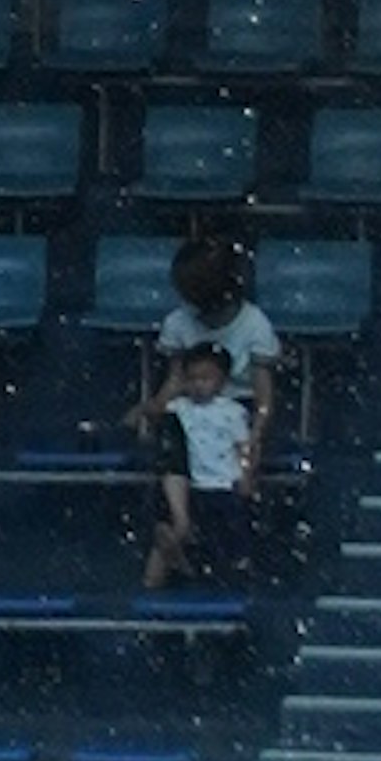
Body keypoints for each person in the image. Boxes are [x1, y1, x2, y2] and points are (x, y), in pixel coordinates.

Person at [138, 223, 279, 487]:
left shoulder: (255, 324)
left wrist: (254, 438)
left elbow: (264, 397)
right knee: (175, 445)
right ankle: (178, 516)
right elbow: (176, 380)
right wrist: (154, 408)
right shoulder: (178, 322)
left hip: (236, 408)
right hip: (192, 405)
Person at [144, 330, 254, 593]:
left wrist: (247, 474)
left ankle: (234, 569)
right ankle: (188, 565)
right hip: (195, 484)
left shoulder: (233, 411)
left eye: (205, 378)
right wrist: (173, 388)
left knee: (231, 532)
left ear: (223, 380)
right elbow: (150, 413)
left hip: (224, 482)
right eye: (192, 378)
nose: (198, 384)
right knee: (196, 532)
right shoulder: (179, 407)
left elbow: (244, 446)